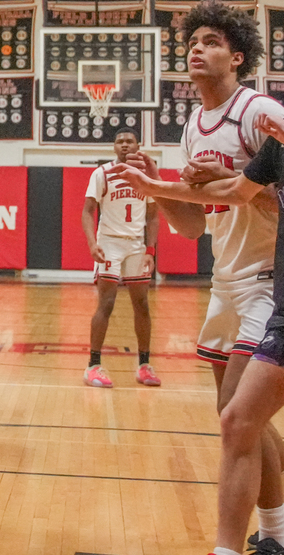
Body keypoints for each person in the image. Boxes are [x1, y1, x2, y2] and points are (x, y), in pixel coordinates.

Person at [112, 1, 284, 553]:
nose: (196, 49)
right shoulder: (193, 125)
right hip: (227, 281)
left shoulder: (259, 113)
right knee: (236, 415)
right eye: (192, 41)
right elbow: (191, 225)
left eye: (210, 41)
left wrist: (235, 179)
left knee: (238, 414)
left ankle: (273, 537)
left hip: (274, 278)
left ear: (237, 57)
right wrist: (156, 188)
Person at [80, 128, 160, 389]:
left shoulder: (145, 176)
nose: (125, 145)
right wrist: (93, 244)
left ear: (138, 145)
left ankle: (144, 365)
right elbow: (88, 211)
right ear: (114, 146)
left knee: (142, 305)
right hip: (110, 244)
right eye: (120, 141)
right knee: (107, 303)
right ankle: (93, 365)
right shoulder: (102, 173)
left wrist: (150, 250)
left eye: (130, 141)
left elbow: (152, 215)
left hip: (136, 245)